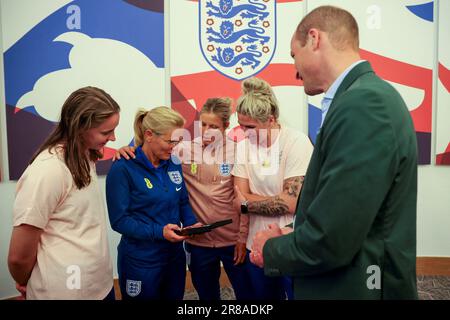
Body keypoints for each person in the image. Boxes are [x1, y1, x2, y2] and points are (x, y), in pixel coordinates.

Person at [250, 5, 418, 300]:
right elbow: (346, 210)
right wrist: (294, 232)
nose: (295, 71)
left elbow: (334, 238)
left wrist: (271, 249)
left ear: (314, 39)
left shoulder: (364, 104)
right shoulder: (360, 98)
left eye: (293, 55)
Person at [115, 98, 252, 300]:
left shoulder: (239, 151)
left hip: (231, 239)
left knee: (246, 294)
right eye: (203, 124)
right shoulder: (182, 149)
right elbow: (148, 148)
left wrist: (242, 237)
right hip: (198, 243)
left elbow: (243, 200)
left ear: (226, 127)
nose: (206, 131)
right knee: (206, 295)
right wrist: (124, 149)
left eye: (213, 126)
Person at [8, 86, 119, 300]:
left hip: (99, 286)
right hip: (65, 292)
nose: (113, 138)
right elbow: (18, 257)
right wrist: (26, 281)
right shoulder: (48, 170)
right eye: (106, 132)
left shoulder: (85, 156)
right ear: (80, 127)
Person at [232, 76, 314, 300]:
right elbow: (238, 200)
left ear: (270, 119)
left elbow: (290, 203)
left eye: (250, 127)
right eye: (240, 125)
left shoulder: (296, 142)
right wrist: (267, 201)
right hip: (255, 245)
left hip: (291, 243)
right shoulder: (242, 147)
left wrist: (248, 202)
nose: (244, 132)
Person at [106, 106, 199, 300]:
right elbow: (119, 221)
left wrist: (191, 225)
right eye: (170, 141)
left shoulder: (173, 162)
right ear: (149, 135)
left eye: (178, 141)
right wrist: (160, 232)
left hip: (173, 257)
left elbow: (182, 201)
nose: (174, 146)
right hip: (141, 261)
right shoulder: (123, 168)